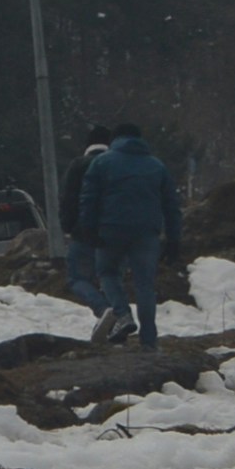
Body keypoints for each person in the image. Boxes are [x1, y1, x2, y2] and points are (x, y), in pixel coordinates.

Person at [74, 122, 185, 348]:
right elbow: (172, 206)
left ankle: (123, 314)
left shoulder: (101, 163)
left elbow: (88, 200)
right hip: (146, 233)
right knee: (145, 284)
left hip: (110, 230)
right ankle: (149, 340)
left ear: (115, 140)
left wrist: (89, 229)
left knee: (108, 272)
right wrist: (174, 240)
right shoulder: (156, 166)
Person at [62, 128, 116, 325]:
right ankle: (117, 318)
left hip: (83, 233)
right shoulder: (117, 165)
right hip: (114, 231)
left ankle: (103, 310)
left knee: (76, 278)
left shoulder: (78, 166)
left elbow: (69, 199)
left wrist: (68, 226)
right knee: (109, 277)